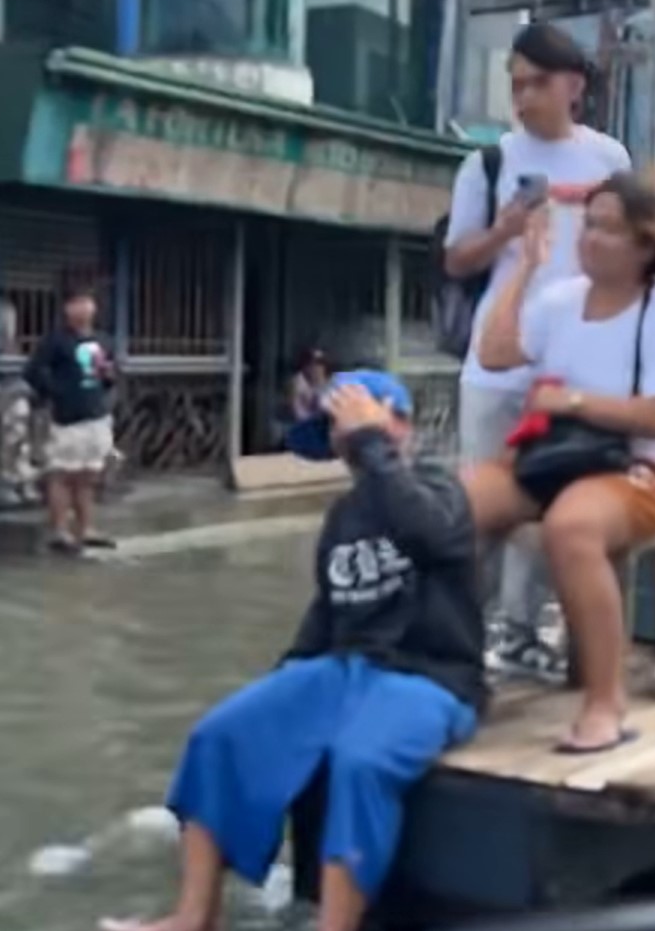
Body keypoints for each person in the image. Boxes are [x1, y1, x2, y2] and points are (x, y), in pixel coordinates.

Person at [103, 372, 481, 931]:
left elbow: (432, 534)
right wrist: (283, 686)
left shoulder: (439, 488)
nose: (342, 442)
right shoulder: (343, 515)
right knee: (221, 735)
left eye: (349, 425)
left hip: (428, 676)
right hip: (342, 668)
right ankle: (194, 915)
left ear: (397, 423)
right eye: (335, 432)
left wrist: (373, 445)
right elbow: (328, 614)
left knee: (360, 760)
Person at [462, 173, 655, 753]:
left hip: (646, 474)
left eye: (608, 229)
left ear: (646, 244)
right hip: (554, 464)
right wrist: (524, 266)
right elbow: (494, 354)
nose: (590, 238)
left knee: (572, 525)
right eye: (588, 224)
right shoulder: (562, 301)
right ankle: (452, 669)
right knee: (453, 503)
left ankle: (604, 702)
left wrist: (575, 401)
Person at [440, 20, 631, 678]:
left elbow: (632, 250)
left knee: (554, 499)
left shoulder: (609, 160)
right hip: (497, 363)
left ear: (573, 86)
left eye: (537, 84)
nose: (523, 98)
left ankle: (523, 633)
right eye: (515, 85)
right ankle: (461, 637)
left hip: (576, 365)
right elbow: (457, 261)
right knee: (484, 502)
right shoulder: (487, 163)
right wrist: (504, 230)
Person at [24, 281, 118, 554]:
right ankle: (59, 531)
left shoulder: (103, 340)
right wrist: (57, 393)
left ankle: (86, 528)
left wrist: (109, 378)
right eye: (77, 302)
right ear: (67, 308)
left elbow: (112, 374)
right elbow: (33, 371)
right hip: (68, 419)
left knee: (88, 475)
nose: (84, 307)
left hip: (96, 416)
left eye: (88, 301)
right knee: (62, 474)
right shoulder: (56, 340)